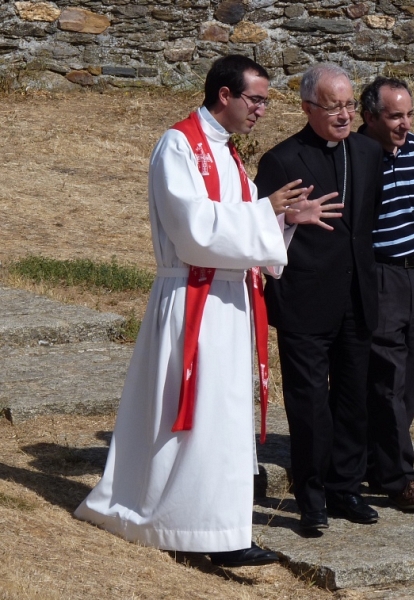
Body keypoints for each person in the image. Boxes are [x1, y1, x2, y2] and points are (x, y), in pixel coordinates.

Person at [74, 54, 337, 568]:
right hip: (191, 299)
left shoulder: (229, 155)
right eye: (255, 99)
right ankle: (192, 524)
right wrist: (267, 212)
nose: (262, 109)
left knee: (226, 416)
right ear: (225, 95)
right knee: (197, 416)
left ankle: (222, 526)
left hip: (228, 300)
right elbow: (195, 230)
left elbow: (239, 227)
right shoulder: (180, 145)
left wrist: (284, 221)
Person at [254, 64, 383, 531]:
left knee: (352, 398)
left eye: (350, 105)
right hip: (304, 300)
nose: (346, 115)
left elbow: (369, 223)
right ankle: (310, 499)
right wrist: (289, 220)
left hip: (357, 298)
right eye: (334, 107)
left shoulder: (368, 153)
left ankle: (345, 487)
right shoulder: (281, 160)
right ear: (308, 107)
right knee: (309, 405)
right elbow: (256, 232)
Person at [359, 76, 414, 510]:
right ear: (370, 116)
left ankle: (380, 454)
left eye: (409, 114)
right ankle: (400, 477)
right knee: (387, 373)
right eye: (395, 116)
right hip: (380, 275)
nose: (404, 124)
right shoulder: (356, 156)